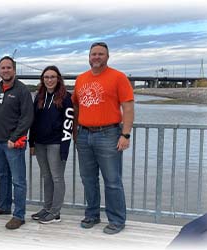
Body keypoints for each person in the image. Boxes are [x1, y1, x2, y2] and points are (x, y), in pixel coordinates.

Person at [72, 42, 134, 234]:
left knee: (112, 180)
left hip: (108, 134)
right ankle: (92, 214)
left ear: (107, 57)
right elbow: (76, 107)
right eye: (93, 54)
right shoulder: (81, 79)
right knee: (88, 178)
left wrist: (125, 134)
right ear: (88, 57)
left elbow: (128, 107)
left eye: (100, 54)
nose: (96, 57)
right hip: (83, 135)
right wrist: (75, 132)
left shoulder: (118, 77)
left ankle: (116, 220)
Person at [0, 56, 34, 230]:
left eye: (8, 68)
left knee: (18, 181)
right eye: (2, 68)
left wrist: (14, 138)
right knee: (3, 176)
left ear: (14, 70)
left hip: (13, 144)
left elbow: (27, 117)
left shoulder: (22, 90)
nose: (5, 70)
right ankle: (4, 206)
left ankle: (19, 215)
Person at [29, 65, 73, 224]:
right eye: (46, 77)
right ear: (43, 79)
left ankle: (55, 212)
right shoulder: (39, 97)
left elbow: (68, 123)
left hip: (56, 144)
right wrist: (31, 142)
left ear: (58, 79)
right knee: (46, 177)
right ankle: (47, 208)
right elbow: (33, 122)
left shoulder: (66, 97)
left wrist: (64, 148)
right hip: (40, 143)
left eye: (52, 77)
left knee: (57, 178)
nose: (49, 80)